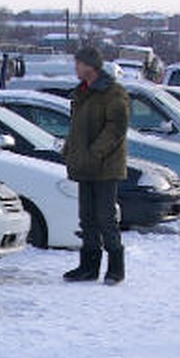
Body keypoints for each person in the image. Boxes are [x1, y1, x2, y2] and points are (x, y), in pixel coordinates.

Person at [61, 45, 130, 284]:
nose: (76, 68)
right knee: (87, 218)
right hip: (84, 165)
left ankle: (115, 268)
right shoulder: (82, 93)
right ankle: (88, 266)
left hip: (105, 166)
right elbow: (77, 128)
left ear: (90, 66)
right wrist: (69, 150)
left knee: (105, 218)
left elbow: (116, 129)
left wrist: (95, 153)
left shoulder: (113, 93)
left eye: (79, 64)